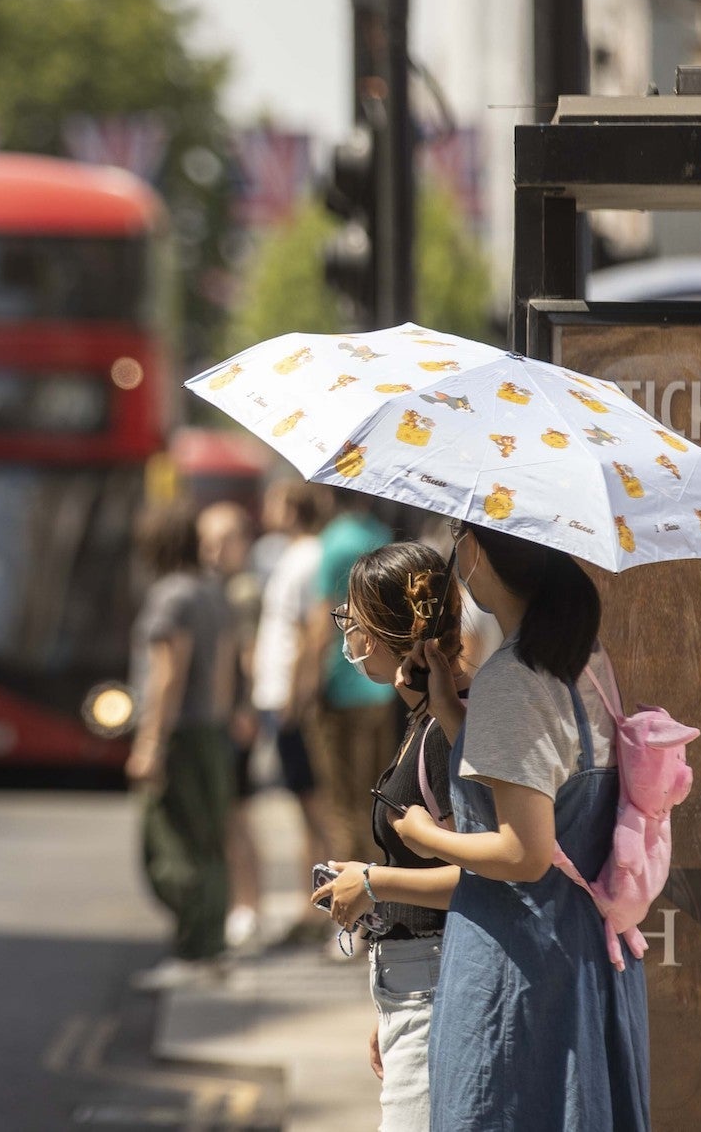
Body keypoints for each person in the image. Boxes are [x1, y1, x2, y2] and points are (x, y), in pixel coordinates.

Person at [392, 522, 651, 1130]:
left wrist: (426, 837)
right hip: (581, 953)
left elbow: (524, 851)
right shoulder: (580, 657)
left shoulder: (514, 674)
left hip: (520, 967)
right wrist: (451, 711)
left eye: (460, 537)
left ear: (476, 554)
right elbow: (534, 784)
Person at [310, 541, 473, 1131]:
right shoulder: (426, 720)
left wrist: (373, 883)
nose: (347, 635)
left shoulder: (444, 731)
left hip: (439, 989)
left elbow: (491, 875)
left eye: (352, 619)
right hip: (413, 986)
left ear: (383, 628)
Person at [126, 502, 236, 989]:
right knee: (210, 841)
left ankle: (193, 951)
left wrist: (150, 742)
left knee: (171, 846)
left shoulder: (169, 596)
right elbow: (224, 671)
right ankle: (209, 948)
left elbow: (167, 675)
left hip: (181, 735)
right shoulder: (212, 593)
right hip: (211, 731)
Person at [244, 483, 335, 947]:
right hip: (274, 692)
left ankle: (328, 907)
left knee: (316, 804)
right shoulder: (289, 554)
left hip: (288, 696)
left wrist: (297, 697)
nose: (267, 507)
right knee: (303, 804)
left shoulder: (309, 557)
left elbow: (310, 631)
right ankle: (311, 903)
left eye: (275, 500)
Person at [294, 490, 397, 867]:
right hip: (380, 686)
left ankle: (355, 910)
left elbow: (322, 625)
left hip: (341, 685)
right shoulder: (381, 533)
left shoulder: (333, 541)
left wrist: (303, 690)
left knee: (342, 804)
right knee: (377, 798)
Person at [196, 502, 263, 950]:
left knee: (236, 815)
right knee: (222, 815)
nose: (213, 549)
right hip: (215, 715)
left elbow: (250, 655)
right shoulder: (210, 589)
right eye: (207, 540)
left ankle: (248, 905)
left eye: (223, 539)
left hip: (234, 717)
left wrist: (245, 709)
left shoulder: (243, 593)